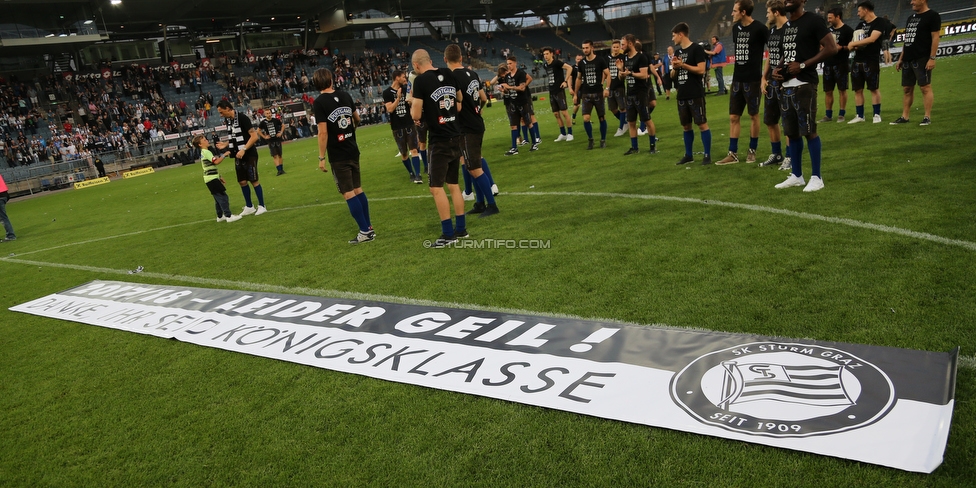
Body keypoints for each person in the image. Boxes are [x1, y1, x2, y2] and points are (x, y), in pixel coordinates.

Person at [771, 0, 838, 192]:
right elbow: (788, 53)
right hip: (787, 85)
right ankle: (797, 175)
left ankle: (817, 177)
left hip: (805, 84)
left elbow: (831, 47)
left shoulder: (813, 20)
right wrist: (778, 67)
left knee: (809, 131)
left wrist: (803, 65)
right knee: (791, 133)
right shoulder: (788, 25)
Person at [410, 49, 467, 248]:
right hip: (455, 135)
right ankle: (461, 229)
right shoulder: (449, 73)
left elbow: (416, 115)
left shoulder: (420, 81)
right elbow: (459, 100)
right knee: (453, 184)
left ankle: (448, 234)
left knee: (436, 187)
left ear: (416, 65)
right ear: (430, 61)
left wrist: (414, 106)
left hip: (439, 139)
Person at [311, 68, 375, 244]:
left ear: (316, 84)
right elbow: (357, 118)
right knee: (358, 189)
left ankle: (365, 231)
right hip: (352, 149)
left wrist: (321, 157)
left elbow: (322, 132)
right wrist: (349, 132)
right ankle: (368, 228)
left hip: (338, 154)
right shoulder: (345, 95)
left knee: (348, 193)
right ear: (331, 80)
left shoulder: (319, 103)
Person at [445, 44, 500, 217]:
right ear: (461, 58)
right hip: (476, 122)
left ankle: (492, 205)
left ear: (446, 59)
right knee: (471, 165)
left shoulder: (452, 77)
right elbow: (483, 98)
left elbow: (457, 106)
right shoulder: (473, 74)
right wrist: (478, 108)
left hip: (466, 127)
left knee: (474, 168)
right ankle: (480, 203)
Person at [716, 0, 769, 165]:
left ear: (743, 12)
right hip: (737, 79)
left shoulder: (760, 28)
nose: (732, 14)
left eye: (734, 11)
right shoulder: (735, 28)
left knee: (753, 115)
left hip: (753, 80)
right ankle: (733, 153)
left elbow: (773, 48)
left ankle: (752, 150)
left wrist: (764, 77)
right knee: (733, 117)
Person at [891, 0, 940, 126]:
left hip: (922, 57)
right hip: (908, 58)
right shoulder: (910, 18)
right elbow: (907, 39)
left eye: (914, 0)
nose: (911, 2)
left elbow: (935, 37)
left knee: (925, 87)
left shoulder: (933, 16)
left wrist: (932, 58)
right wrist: (901, 58)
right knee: (907, 89)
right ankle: (905, 117)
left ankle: (927, 117)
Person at [671, 23, 712, 165]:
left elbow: (701, 70)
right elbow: (672, 75)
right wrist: (675, 67)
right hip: (682, 94)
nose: (673, 38)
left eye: (674, 35)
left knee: (702, 124)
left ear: (681, 34)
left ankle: (707, 155)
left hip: (695, 93)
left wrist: (683, 65)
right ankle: (688, 155)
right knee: (686, 126)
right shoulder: (677, 53)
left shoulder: (697, 49)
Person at [216, 99, 266, 215]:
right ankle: (249, 206)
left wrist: (243, 149)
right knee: (242, 181)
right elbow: (235, 136)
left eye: (221, 112)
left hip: (249, 154)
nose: (221, 115)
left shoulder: (243, 118)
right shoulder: (229, 121)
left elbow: (254, 137)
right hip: (238, 155)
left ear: (228, 108)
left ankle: (262, 206)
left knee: (253, 180)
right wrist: (226, 144)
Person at [759, 0, 791, 170]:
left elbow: (788, 54)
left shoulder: (790, 29)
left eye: (768, 12)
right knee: (770, 120)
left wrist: (777, 71)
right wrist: (764, 77)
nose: (767, 15)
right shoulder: (772, 31)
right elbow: (770, 55)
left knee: (787, 122)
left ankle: (790, 156)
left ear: (776, 12)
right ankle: (776, 154)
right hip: (771, 82)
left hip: (786, 82)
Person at [847, 1, 885, 124]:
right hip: (857, 61)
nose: (857, 13)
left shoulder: (879, 22)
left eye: (859, 11)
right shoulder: (859, 25)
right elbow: (853, 43)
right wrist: (853, 45)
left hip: (871, 61)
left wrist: (853, 44)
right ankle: (860, 115)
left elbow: (872, 39)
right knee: (857, 90)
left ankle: (877, 114)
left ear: (866, 10)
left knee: (873, 88)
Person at [618, 34, 657, 155]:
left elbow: (644, 75)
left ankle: (652, 146)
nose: (621, 47)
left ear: (630, 43)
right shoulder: (625, 58)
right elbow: (622, 77)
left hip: (640, 93)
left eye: (623, 44)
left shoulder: (641, 57)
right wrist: (620, 70)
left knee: (647, 120)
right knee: (631, 122)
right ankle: (634, 148)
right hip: (629, 94)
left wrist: (630, 74)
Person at [383, 70, 424, 183]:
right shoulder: (387, 93)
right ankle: (411, 173)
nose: (405, 79)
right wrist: (398, 98)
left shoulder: (407, 89)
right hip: (397, 127)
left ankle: (418, 175)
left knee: (414, 150)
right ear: (396, 78)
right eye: (403, 77)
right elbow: (390, 109)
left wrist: (415, 117)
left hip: (409, 124)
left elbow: (411, 105)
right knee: (404, 153)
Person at [193, 135, 242, 223]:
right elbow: (216, 162)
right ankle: (229, 216)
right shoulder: (206, 152)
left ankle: (220, 216)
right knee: (223, 197)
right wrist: (224, 155)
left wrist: (219, 176)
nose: (207, 140)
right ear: (200, 144)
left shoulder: (204, 152)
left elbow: (210, 167)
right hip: (211, 179)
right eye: (204, 140)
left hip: (211, 178)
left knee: (217, 198)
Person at [573, 40, 611, 150]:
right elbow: (579, 78)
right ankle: (591, 140)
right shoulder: (581, 63)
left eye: (586, 48)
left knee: (602, 118)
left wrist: (607, 88)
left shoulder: (600, 60)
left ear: (592, 48)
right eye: (583, 48)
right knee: (586, 118)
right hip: (586, 94)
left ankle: (603, 140)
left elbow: (608, 75)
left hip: (598, 93)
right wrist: (576, 94)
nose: (585, 50)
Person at [821, 7, 854, 123]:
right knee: (828, 91)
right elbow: (821, 46)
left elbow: (853, 46)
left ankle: (841, 114)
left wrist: (842, 47)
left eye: (830, 18)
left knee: (842, 90)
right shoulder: (827, 31)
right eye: (828, 18)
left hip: (841, 64)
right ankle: (828, 115)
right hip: (828, 64)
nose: (828, 20)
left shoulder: (848, 30)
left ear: (838, 17)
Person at [542, 47, 574, 142]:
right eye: (544, 54)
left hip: (559, 91)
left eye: (547, 54)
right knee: (556, 114)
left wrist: (565, 81)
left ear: (552, 54)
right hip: (551, 91)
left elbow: (569, 68)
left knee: (564, 113)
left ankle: (570, 133)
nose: (545, 56)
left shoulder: (557, 63)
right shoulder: (545, 65)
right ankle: (563, 133)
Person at [606, 40, 628, 137]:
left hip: (619, 86)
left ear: (620, 48)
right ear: (611, 47)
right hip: (610, 86)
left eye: (617, 47)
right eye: (614, 47)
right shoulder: (607, 58)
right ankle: (626, 122)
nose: (615, 49)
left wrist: (621, 68)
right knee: (613, 109)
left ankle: (621, 127)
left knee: (622, 107)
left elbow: (624, 72)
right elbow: (605, 72)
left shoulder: (623, 58)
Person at [258, 109, 285, 175]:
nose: (269, 114)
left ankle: (281, 169)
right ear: (265, 114)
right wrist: (264, 137)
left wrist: (281, 132)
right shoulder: (263, 122)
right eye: (267, 113)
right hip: (270, 141)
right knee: (274, 156)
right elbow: (258, 131)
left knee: (280, 155)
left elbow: (283, 125)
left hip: (277, 139)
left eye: (269, 113)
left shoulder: (275, 120)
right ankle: (279, 170)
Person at [0, 173, 16, 242]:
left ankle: (11, 235)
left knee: (3, 218)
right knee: (3, 217)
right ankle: (10, 235)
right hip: (4, 195)